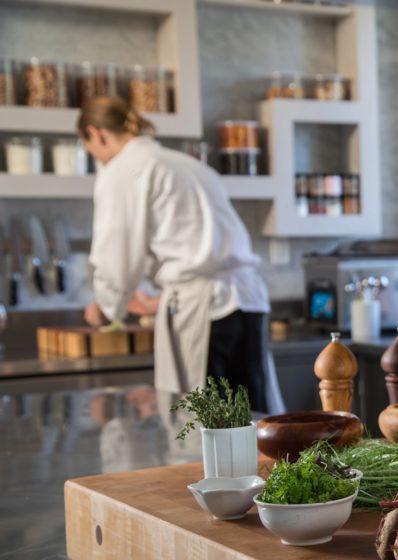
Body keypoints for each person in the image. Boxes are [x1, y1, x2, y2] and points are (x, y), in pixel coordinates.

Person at [79, 96, 275, 412]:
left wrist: (106, 305)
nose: (99, 160)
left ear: (96, 133)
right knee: (253, 419)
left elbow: (118, 252)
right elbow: (207, 248)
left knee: (208, 424)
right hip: (247, 300)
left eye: (92, 152)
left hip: (206, 311)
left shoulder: (122, 171)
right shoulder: (190, 165)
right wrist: (162, 299)